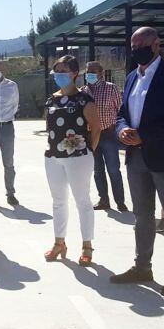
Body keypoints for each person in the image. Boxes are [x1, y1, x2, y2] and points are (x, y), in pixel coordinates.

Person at [110, 27, 164, 296]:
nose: (137, 50)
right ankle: (142, 267)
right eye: (133, 46)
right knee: (142, 217)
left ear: (157, 44)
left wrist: (143, 135)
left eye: (142, 44)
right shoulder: (133, 76)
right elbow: (123, 112)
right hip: (136, 158)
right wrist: (122, 129)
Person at [43, 56, 101, 265]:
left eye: (64, 70)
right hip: (53, 158)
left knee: (83, 201)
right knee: (58, 202)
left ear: (75, 73)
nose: (59, 73)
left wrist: (88, 152)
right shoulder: (52, 99)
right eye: (56, 69)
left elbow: (96, 128)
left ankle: (87, 246)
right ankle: (59, 242)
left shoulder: (84, 100)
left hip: (78, 158)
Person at [82, 61, 127, 212]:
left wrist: (118, 128)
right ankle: (103, 200)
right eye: (88, 72)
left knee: (113, 169)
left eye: (92, 72)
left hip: (108, 134)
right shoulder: (83, 92)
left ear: (100, 73)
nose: (89, 74)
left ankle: (120, 201)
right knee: (97, 170)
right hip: (91, 136)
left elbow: (120, 109)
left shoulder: (111, 88)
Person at [0, 59, 19, 206]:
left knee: (8, 162)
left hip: (6, 127)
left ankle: (10, 193)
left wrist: (5, 119)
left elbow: (15, 105)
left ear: (4, 69)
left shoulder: (12, 86)